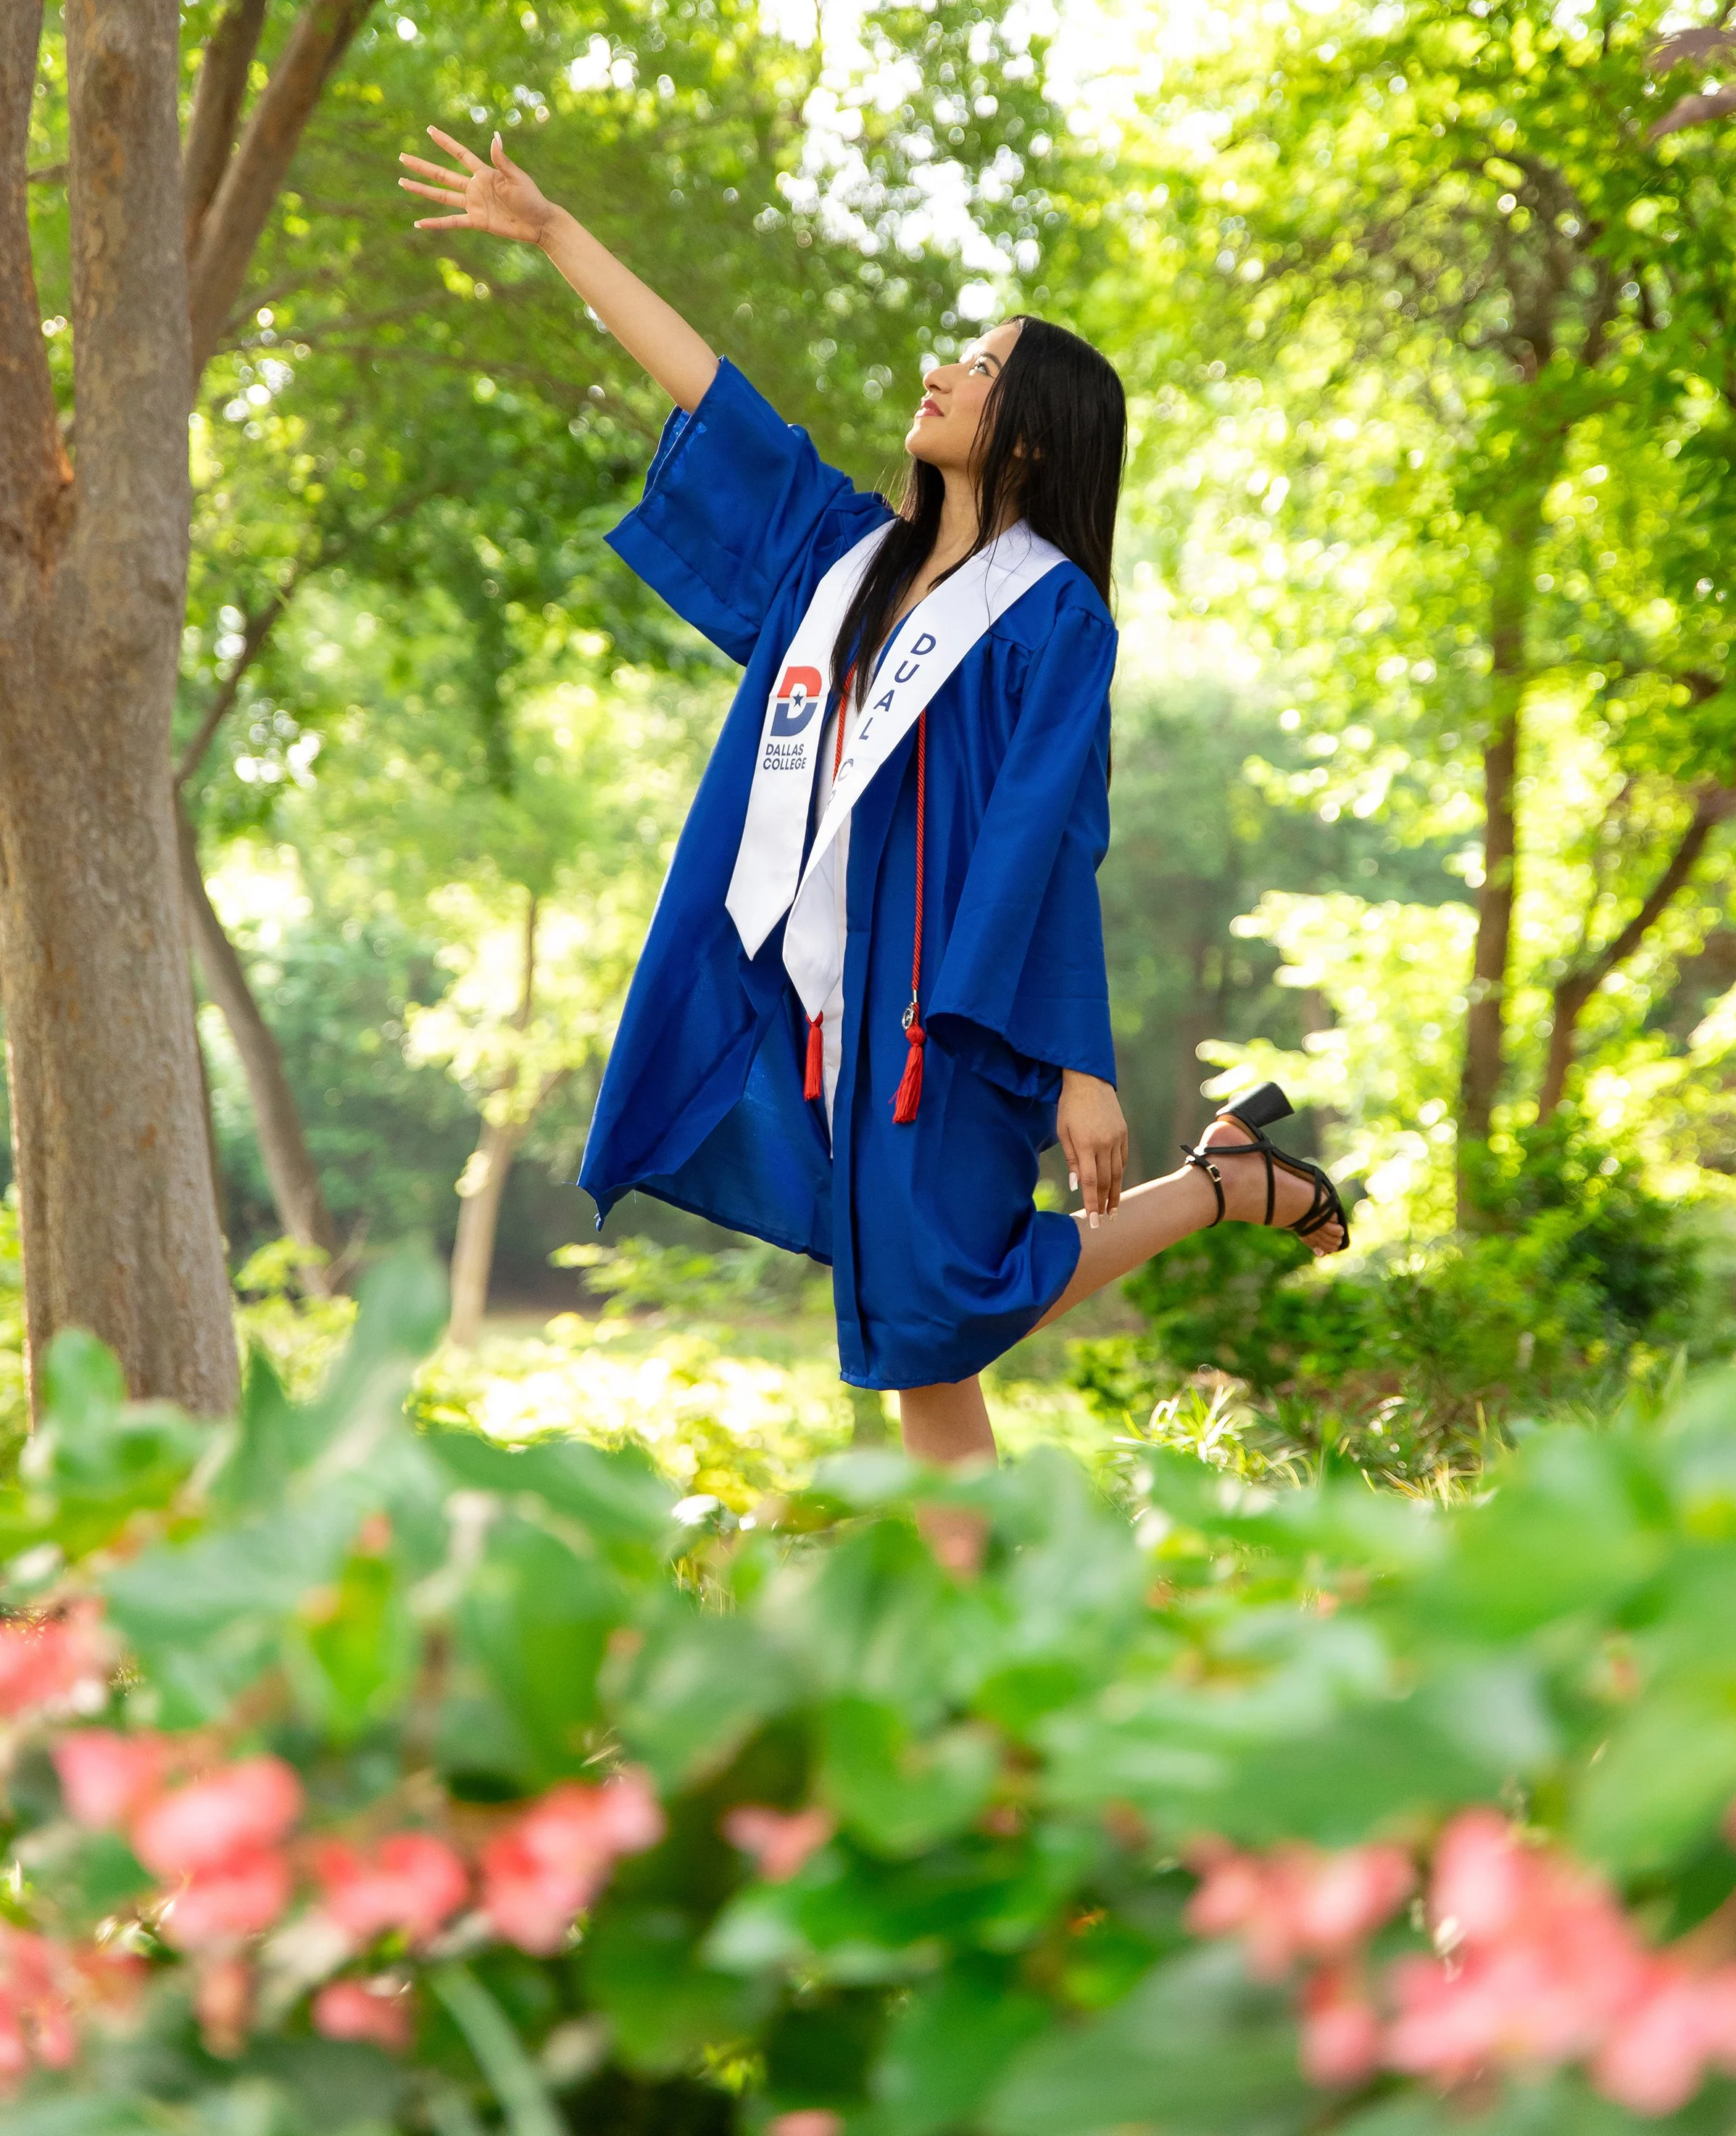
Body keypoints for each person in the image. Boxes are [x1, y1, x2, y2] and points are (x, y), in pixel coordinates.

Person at [401, 127, 1350, 1468]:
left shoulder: (1051, 615)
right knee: (916, 1334)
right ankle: (967, 1617)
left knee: (937, 1303)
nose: (942, 372)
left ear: (1035, 439)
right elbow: (711, 401)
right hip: (829, 1001)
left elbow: (1048, 836)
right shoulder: (845, 560)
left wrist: (1080, 1063)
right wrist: (553, 232)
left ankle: (1216, 1190)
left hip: (953, 1014)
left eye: (981, 366)